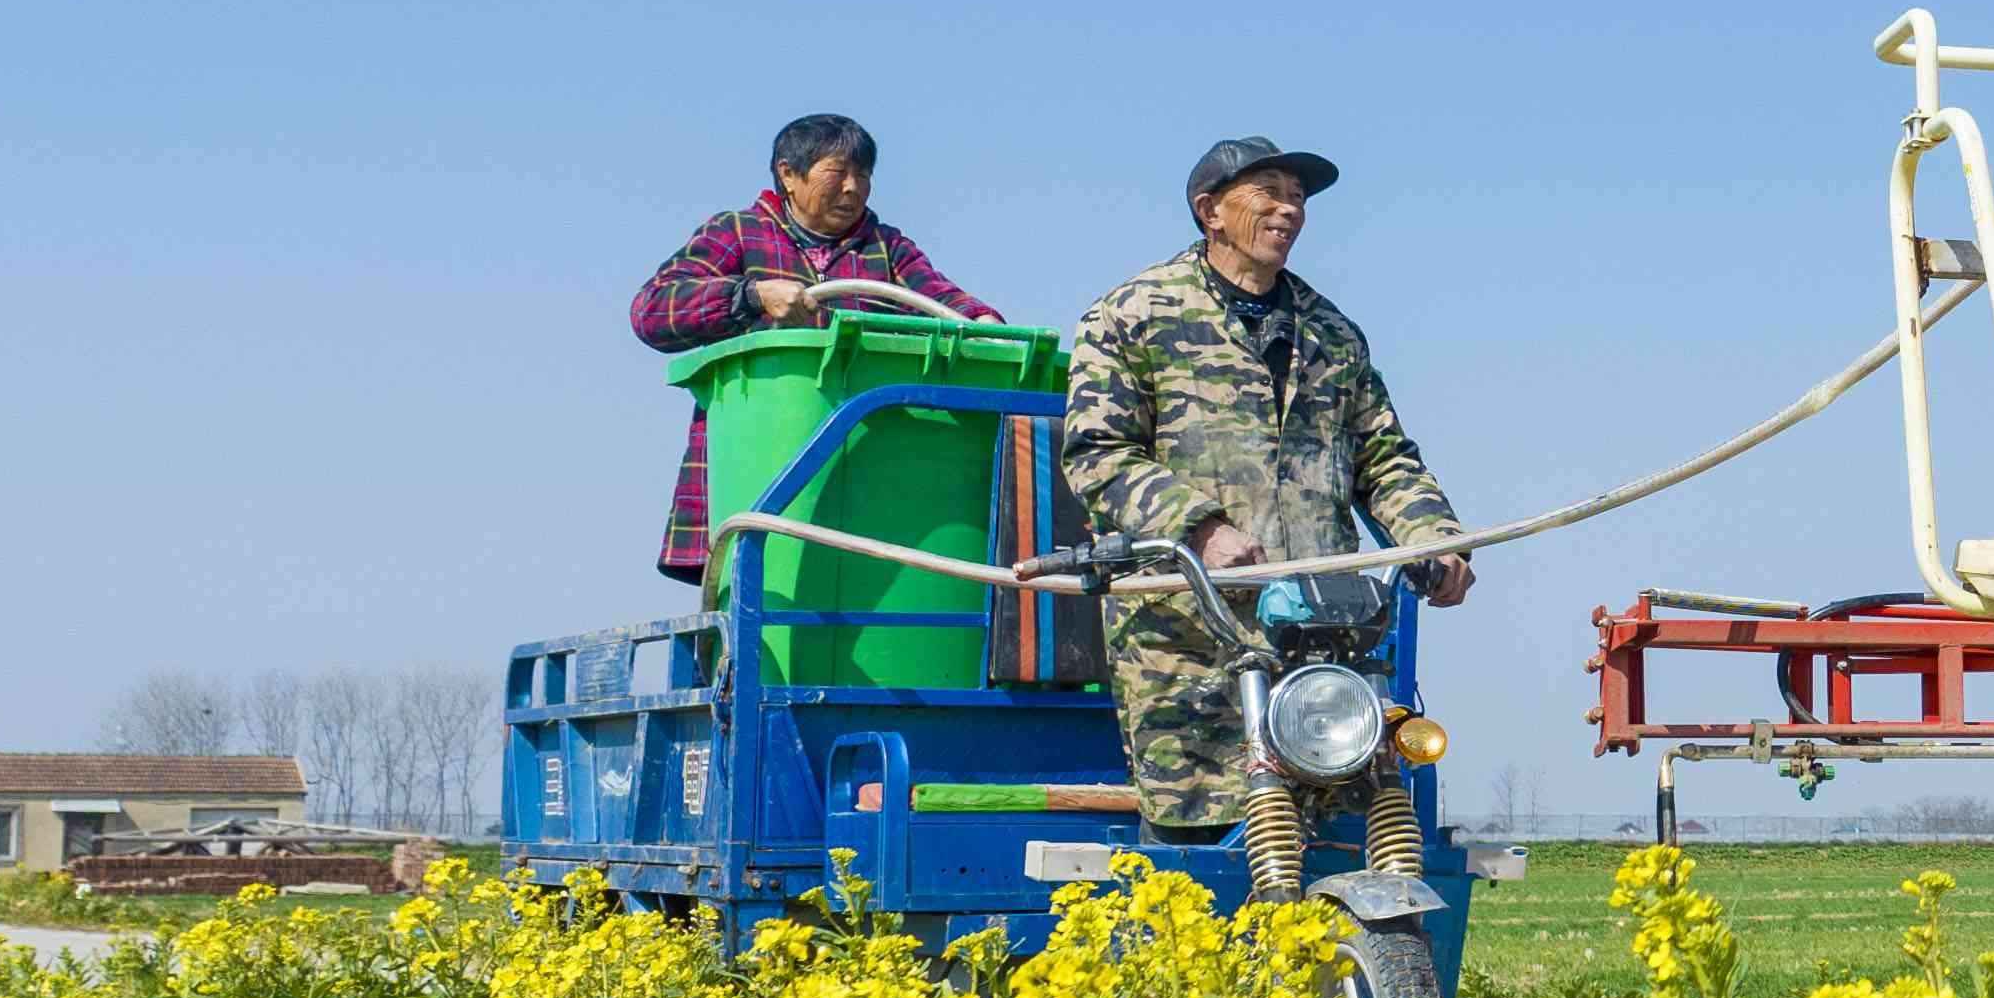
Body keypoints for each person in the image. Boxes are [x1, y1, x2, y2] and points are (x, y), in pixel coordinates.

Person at [1063, 137, 1474, 838]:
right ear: (1210, 212)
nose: (1289, 209)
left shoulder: (1333, 334)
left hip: (1321, 635)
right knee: (1198, 837)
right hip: (1188, 632)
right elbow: (1097, 453)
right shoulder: (1132, 315)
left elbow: (1383, 458)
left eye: (1299, 198)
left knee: (1347, 828)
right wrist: (1200, 528)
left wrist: (1435, 539)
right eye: (1270, 193)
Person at [630, 113, 1001, 584]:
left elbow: (941, 300)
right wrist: (749, 295)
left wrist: (983, 322)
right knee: (756, 600)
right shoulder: (738, 232)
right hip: (755, 461)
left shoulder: (886, 248)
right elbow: (652, 310)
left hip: (863, 474)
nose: (852, 188)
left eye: (863, 175)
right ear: (788, 173)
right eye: (837, 173)